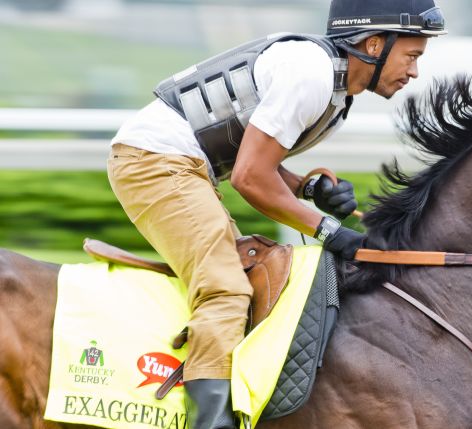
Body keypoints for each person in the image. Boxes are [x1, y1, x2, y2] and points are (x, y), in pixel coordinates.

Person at [106, 1, 446, 427]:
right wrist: (327, 230)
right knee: (226, 288)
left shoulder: (336, 92)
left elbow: (259, 161)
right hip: (157, 161)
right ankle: (209, 420)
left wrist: (309, 187)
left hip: (183, 164)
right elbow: (249, 178)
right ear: (375, 44)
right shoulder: (312, 75)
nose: (414, 72)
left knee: (247, 276)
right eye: (411, 56)